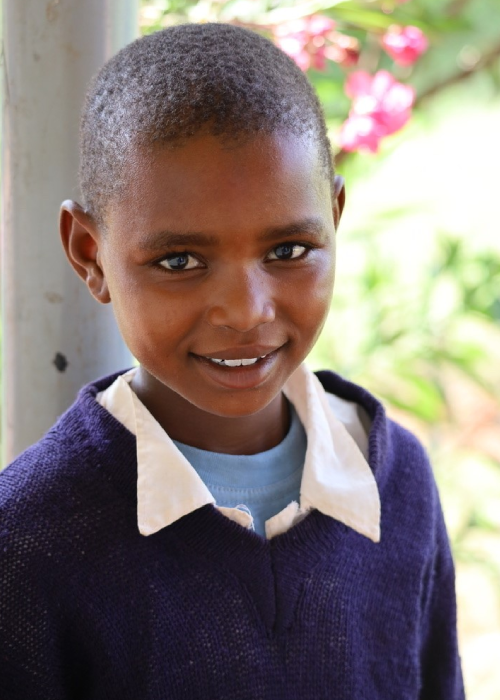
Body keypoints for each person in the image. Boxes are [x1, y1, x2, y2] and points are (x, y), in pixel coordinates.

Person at [0, 22, 465, 700]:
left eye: (287, 252)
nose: (246, 311)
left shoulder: (397, 488)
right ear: (89, 254)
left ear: (334, 217)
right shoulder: (31, 540)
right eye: (179, 261)